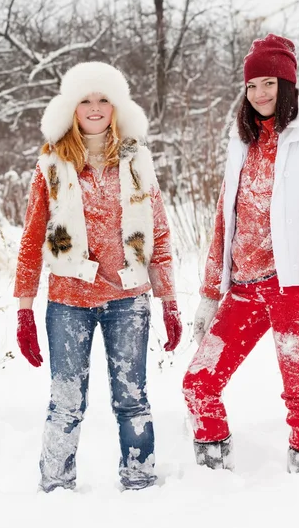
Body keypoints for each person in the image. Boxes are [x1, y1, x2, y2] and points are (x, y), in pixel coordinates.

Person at [182, 33, 299, 480]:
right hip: (242, 288)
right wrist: (208, 293)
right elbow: (225, 220)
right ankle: (212, 477)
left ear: (287, 85)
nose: (259, 94)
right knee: (199, 381)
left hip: (292, 289)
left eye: (269, 84)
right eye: (252, 85)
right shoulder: (240, 144)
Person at [14, 61, 182, 492]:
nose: (94, 107)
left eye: (103, 99)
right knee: (66, 403)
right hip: (69, 301)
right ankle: (55, 486)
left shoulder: (136, 161)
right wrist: (24, 310)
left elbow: (158, 233)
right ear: (70, 107)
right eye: (85, 99)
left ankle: (140, 481)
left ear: (116, 106)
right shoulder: (51, 165)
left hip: (129, 300)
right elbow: (32, 239)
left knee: (132, 399)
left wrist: (169, 301)